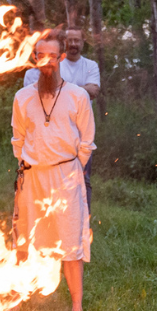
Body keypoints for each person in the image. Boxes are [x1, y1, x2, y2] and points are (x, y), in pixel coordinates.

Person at [11, 30, 95, 311]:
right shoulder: (22, 97)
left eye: (51, 56)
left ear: (60, 58)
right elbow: (17, 140)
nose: (46, 62)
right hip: (33, 177)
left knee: (71, 242)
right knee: (25, 240)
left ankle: (77, 308)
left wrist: (70, 167)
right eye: (40, 56)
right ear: (34, 59)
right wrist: (31, 166)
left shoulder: (77, 95)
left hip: (67, 177)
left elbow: (87, 142)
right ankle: (18, 298)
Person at [23, 28, 100, 213]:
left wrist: (63, 90)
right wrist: (78, 91)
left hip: (80, 134)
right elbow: (36, 97)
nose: (74, 44)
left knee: (83, 179)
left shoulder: (90, 65)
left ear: (83, 42)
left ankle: (83, 221)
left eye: (77, 40)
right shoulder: (54, 63)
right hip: (50, 135)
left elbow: (94, 90)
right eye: (70, 40)